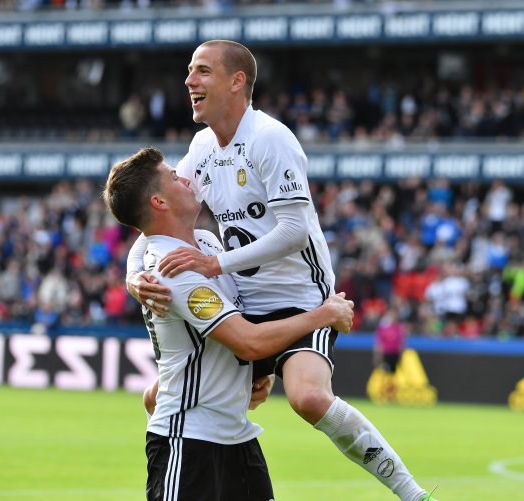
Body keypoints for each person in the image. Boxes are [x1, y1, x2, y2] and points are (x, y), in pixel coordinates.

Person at [127, 40, 436, 501]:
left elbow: (293, 231)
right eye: (190, 71)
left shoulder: (271, 139)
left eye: (202, 71)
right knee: (156, 398)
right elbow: (155, 219)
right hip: (244, 305)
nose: (189, 81)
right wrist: (135, 277)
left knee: (308, 398)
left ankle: (413, 494)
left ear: (237, 82)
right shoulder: (202, 147)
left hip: (300, 297)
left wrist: (217, 262)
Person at [103, 146, 354, 500]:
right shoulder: (172, 271)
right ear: (160, 202)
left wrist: (255, 373)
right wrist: (323, 315)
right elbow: (248, 341)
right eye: (175, 177)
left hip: (236, 439)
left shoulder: (203, 243)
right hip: (188, 443)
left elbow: (146, 237)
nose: (186, 179)